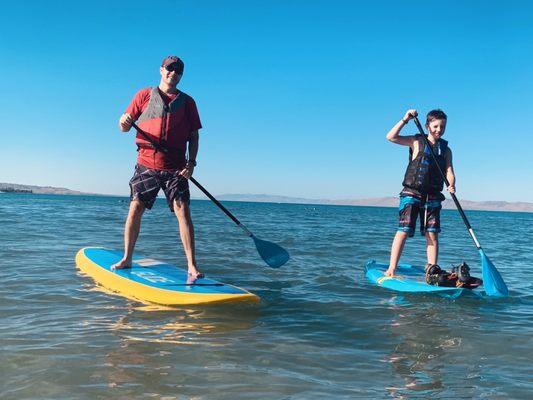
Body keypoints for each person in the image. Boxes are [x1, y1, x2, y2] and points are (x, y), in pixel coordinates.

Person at [112, 55, 203, 282]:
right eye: (170, 68)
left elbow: (194, 136)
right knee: (136, 207)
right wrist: (123, 122)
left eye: (179, 70)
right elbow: (123, 126)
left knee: (183, 210)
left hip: (176, 167)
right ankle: (127, 258)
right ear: (161, 70)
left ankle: (192, 266)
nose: (174, 73)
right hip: (146, 163)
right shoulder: (143, 95)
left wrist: (191, 164)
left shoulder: (188, 102)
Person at [384, 109, 455, 278]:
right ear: (427, 126)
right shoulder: (416, 141)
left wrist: (451, 184)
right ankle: (392, 268)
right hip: (412, 193)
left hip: (432, 196)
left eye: (442, 126)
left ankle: (432, 270)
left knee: (432, 233)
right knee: (404, 229)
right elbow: (391, 137)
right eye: (436, 126)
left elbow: (449, 169)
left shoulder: (446, 149)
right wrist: (405, 119)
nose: (439, 129)